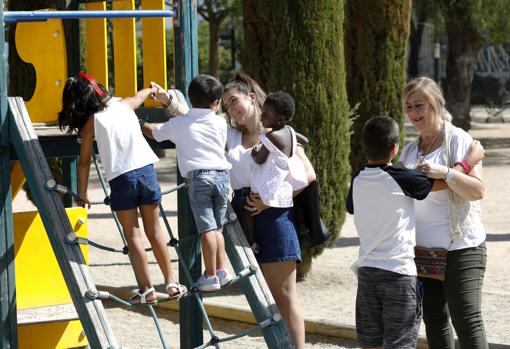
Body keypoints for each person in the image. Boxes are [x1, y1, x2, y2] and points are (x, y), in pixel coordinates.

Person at [58, 72, 186, 304]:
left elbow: (85, 161)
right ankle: (172, 283)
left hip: (121, 178)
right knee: (155, 230)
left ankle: (147, 290)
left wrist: (84, 192)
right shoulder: (125, 104)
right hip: (146, 171)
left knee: (133, 234)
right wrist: (152, 89)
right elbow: (140, 95)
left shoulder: (90, 123)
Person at [222, 73, 315, 349]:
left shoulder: (279, 135)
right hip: (243, 218)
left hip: (274, 217)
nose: (231, 109)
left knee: (285, 298)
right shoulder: (233, 135)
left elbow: (308, 175)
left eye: (234, 100)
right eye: (226, 104)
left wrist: (270, 200)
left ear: (252, 97)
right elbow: (199, 119)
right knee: (264, 299)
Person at [399, 76, 488, 349]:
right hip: (423, 250)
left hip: (461, 245)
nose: (414, 113)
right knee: (434, 320)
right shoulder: (409, 150)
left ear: (436, 103)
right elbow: (408, 193)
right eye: (409, 107)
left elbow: (478, 191)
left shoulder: (460, 140)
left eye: (419, 105)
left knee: (466, 319)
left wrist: (448, 172)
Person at [347, 115, 439, 348]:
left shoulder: (358, 179)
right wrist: (467, 163)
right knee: (399, 343)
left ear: (364, 147)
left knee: (370, 342)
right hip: (398, 273)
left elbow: (351, 206)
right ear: (395, 148)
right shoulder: (403, 178)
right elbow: (433, 183)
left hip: (367, 272)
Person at [141, 74, 234, 292]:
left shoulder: (179, 123)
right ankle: (222, 269)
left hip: (199, 178)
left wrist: (139, 123)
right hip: (222, 176)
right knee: (218, 228)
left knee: (207, 229)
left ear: (190, 98)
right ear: (216, 103)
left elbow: (154, 134)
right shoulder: (220, 123)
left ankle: (210, 275)